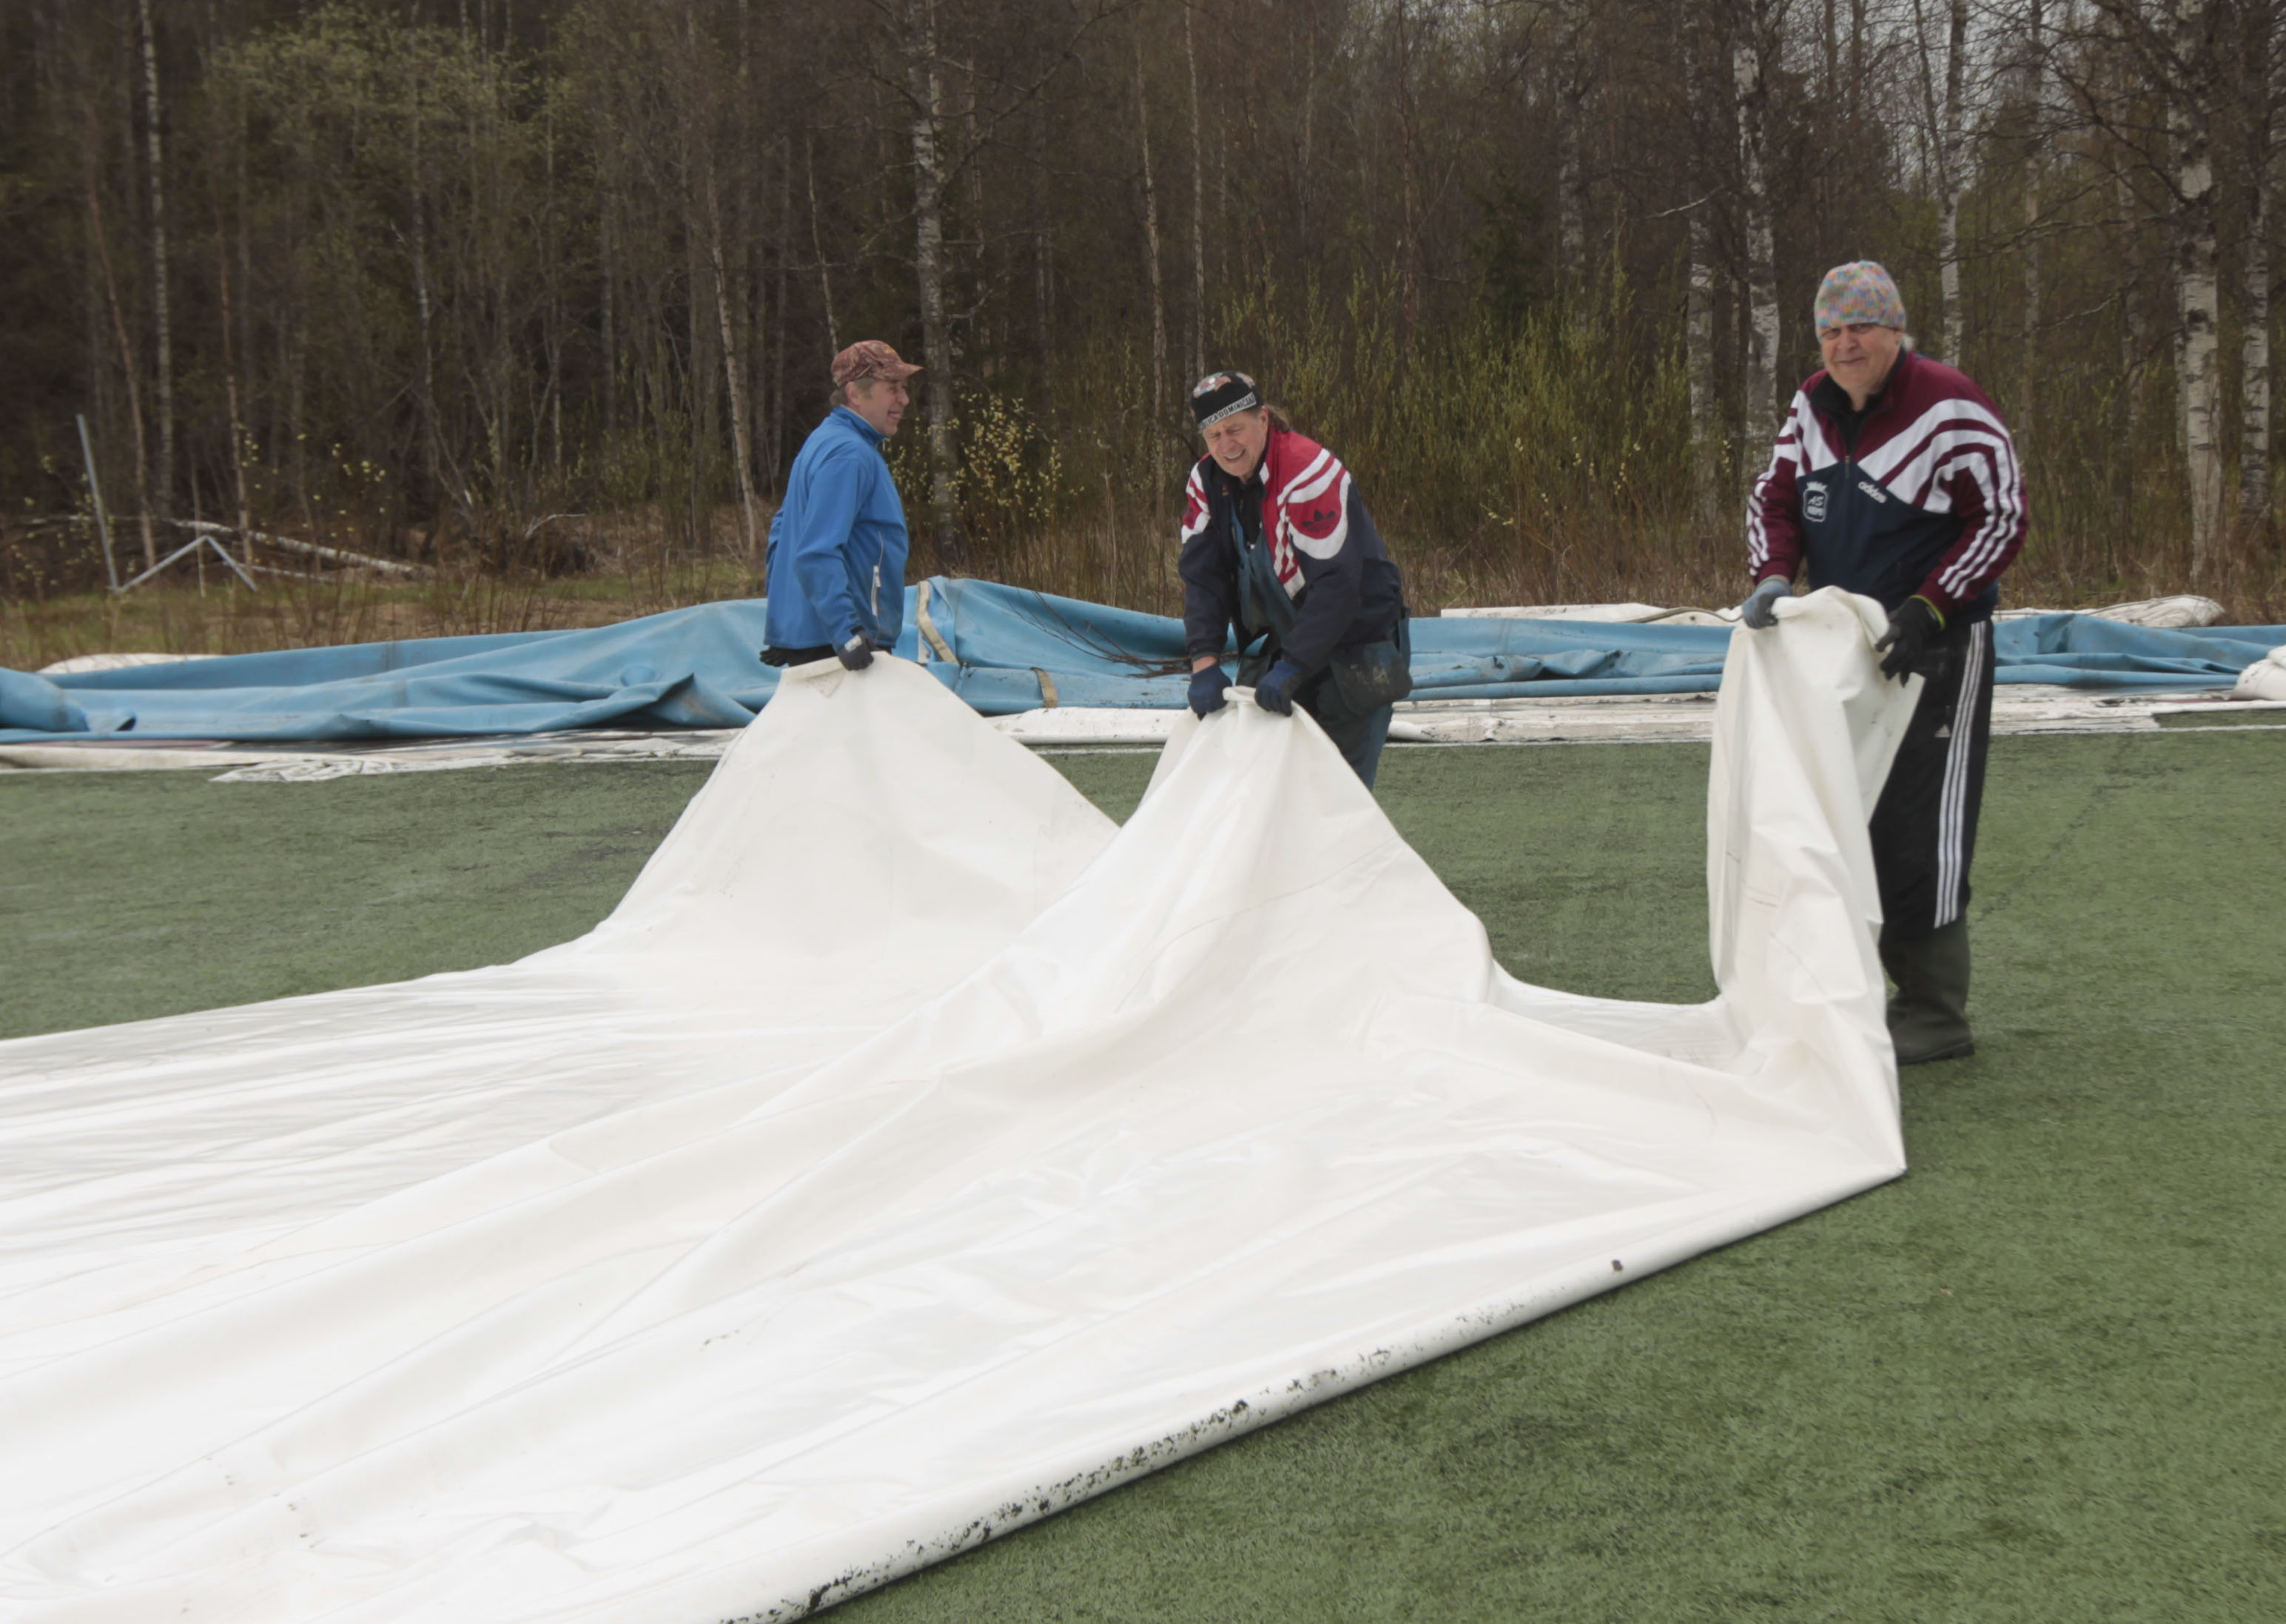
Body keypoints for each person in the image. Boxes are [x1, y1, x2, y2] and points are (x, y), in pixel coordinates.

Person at [1739, 261, 2026, 1064]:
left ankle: (1934, 1011)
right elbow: (1775, 496)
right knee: (1843, 813)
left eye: (1859, 327)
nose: (1843, 343)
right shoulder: (1811, 404)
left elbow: (2000, 518)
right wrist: (1772, 573)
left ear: (1894, 329)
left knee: (1921, 822)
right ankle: (1857, 991)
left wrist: (1930, 603)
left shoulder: (1949, 405)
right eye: (1829, 330)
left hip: (1936, 645)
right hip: (1840, 654)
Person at [1177, 370, 1411, 786]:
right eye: (1213, 436)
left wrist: (1293, 667)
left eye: (1235, 429)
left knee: (1338, 791)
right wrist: (1204, 660)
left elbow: (1339, 587)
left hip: (1357, 643)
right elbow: (1203, 578)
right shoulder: (1205, 481)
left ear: (1263, 419)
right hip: (1287, 639)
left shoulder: (1309, 472)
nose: (1226, 447)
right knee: (1263, 786)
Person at [761, 340, 921, 670]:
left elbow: (783, 530)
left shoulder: (825, 441)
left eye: (903, 388)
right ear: (855, 394)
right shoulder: (849, 454)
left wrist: (787, 623)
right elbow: (817, 552)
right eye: (892, 388)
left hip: (823, 638)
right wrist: (847, 632)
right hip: (845, 646)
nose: (904, 399)